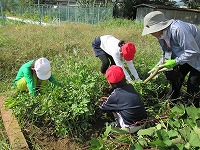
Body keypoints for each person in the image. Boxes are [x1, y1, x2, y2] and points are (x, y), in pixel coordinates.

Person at [142, 11, 200, 107]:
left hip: (197, 56)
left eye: (152, 31)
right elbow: (166, 52)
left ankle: (191, 111)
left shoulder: (179, 29)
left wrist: (175, 61)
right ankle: (171, 104)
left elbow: (193, 51)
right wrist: (158, 65)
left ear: (160, 27)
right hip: (183, 56)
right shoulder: (160, 36)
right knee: (176, 78)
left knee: (192, 85)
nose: (151, 34)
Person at [99, 65, 147, 133]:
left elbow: (103, 106)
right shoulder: (131, 87)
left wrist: (101, 101)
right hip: (144, 121)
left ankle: (117, 125)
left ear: (109, 82)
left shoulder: (115, 95)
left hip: (131, 128)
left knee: (113, 108)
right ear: (124, 76)